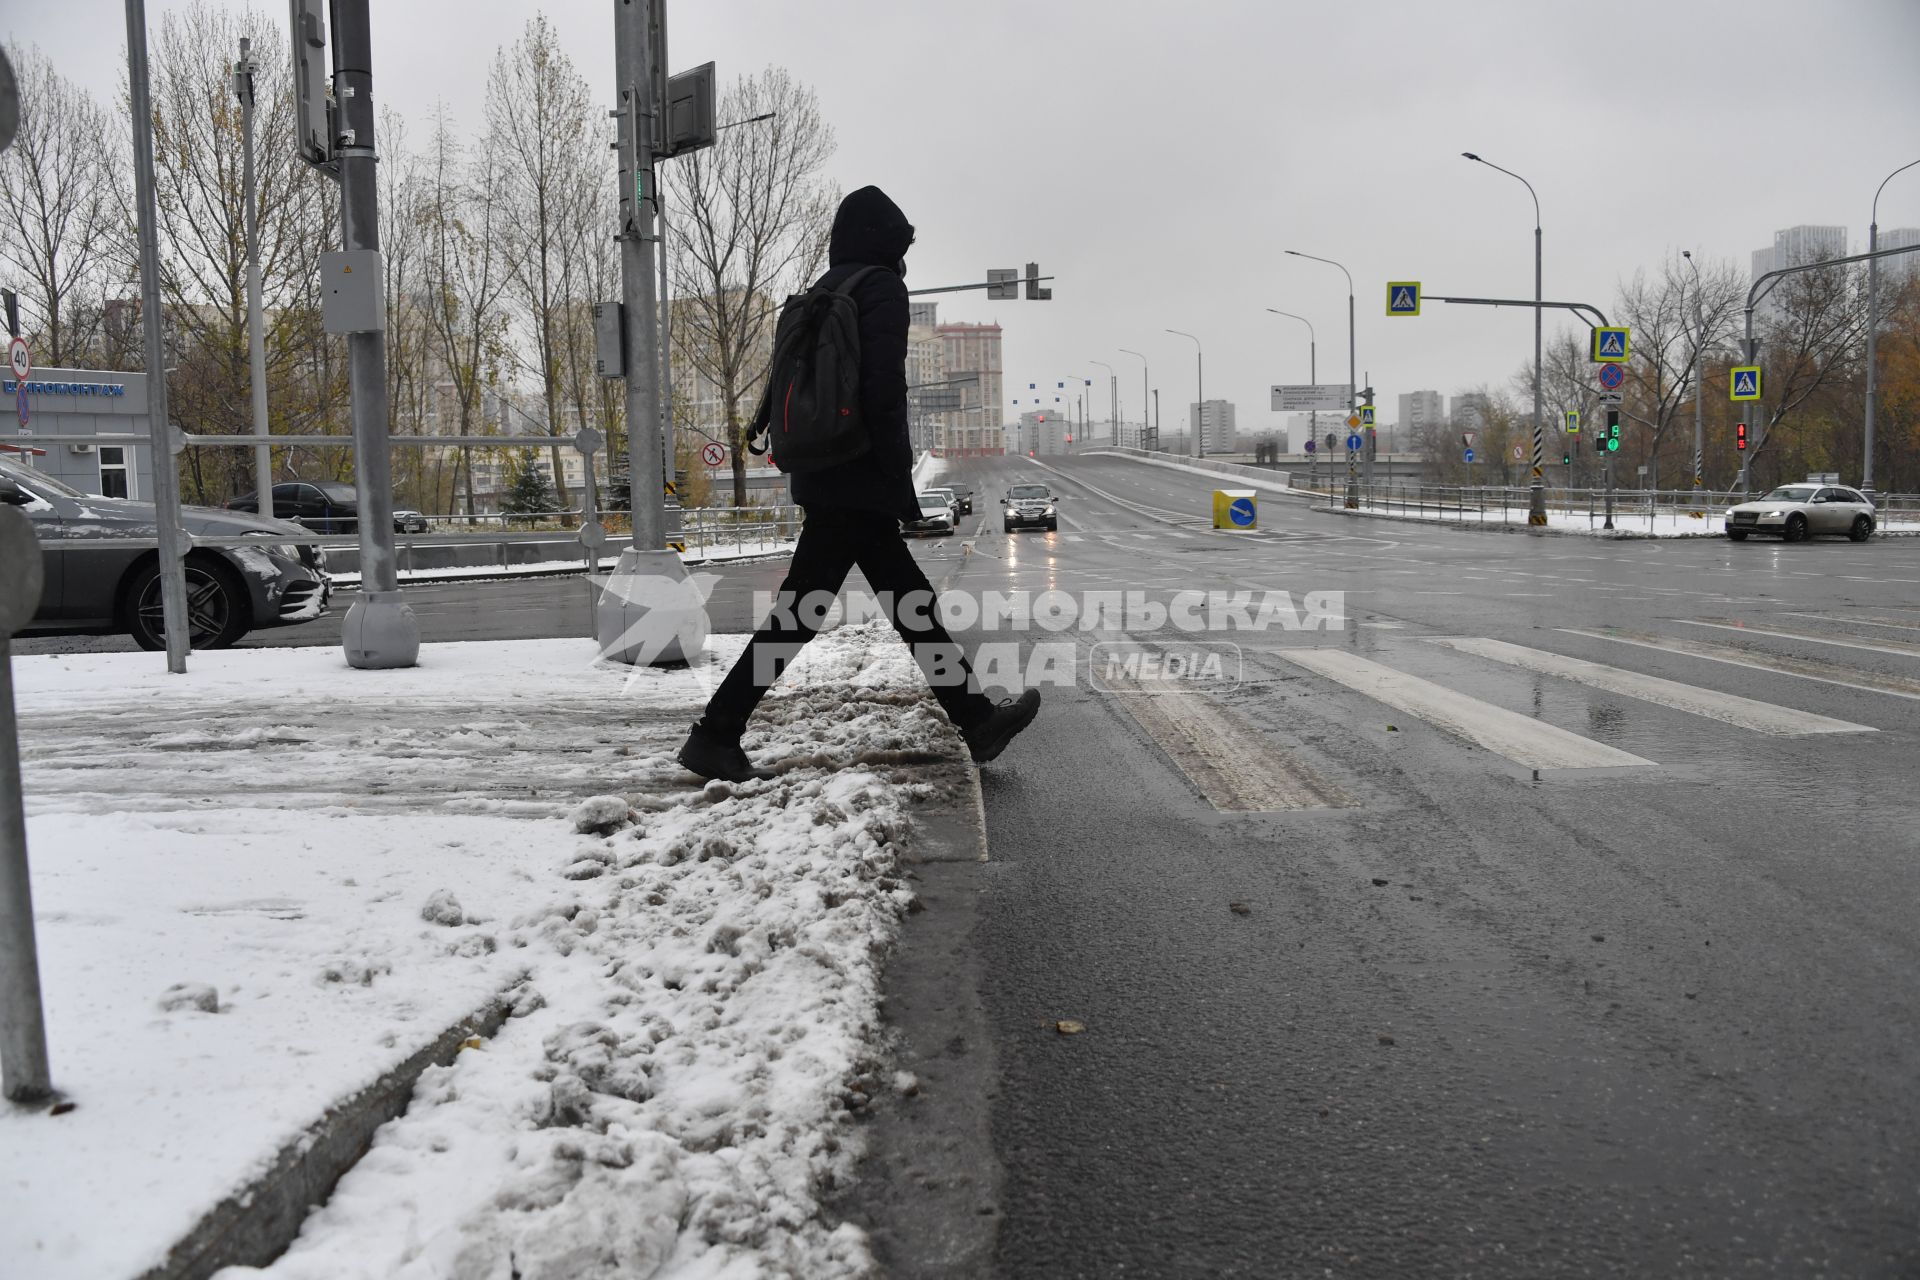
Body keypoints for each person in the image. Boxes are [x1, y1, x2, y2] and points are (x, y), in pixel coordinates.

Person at [677, 185, 1040, 782]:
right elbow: (882, 392)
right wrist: (898, 477)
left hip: (824, 465)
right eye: (901, 246)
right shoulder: (879, 288)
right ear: (885, 243)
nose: (904, 259)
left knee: (901, 601)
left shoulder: (821, 291)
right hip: (857, 471)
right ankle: (715, 732)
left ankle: (975, 718)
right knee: (809, 608)